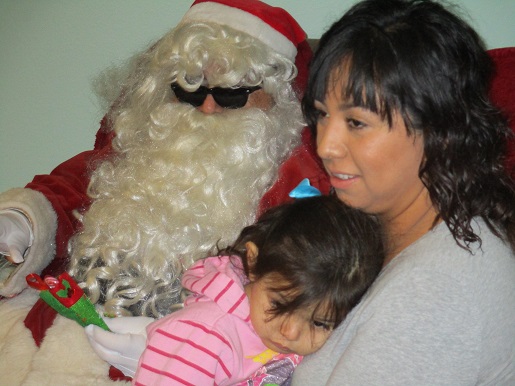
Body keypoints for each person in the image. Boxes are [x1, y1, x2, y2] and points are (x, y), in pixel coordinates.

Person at [0, 1, 330, 384]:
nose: (207, 108)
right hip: (53, 338)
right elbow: (66, 190)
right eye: (189, 88)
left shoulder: (297, 194)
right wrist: (22, 220)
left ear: (277, 97)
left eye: (232, 93)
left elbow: (299, 305)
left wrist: (181, 349)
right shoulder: (136, 151)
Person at [290, 0, 515, 385]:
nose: (326, 145)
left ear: (439, 131)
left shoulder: (436, 292)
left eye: (357, 122)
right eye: (322, 114)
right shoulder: (403, 231)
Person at [127, 195, 384, 385]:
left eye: (319, 323)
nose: (290, 332)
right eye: (279, 305)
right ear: (253, 262)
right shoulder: (205, 334)